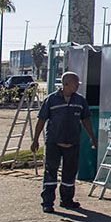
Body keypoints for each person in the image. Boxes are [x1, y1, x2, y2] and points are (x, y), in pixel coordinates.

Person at [30, 72, 97, 213]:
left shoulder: (80, 101)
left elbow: (86, 120)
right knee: (50, 173)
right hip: (54, 143)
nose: (77, 86)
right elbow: (41, 120)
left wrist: (93, 137)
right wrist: (35, 140)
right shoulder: (51, 100)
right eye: (75, 83)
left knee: (69, 174)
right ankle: (47, 202)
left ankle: (67, 200)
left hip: (73, 143)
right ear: (66, 84)